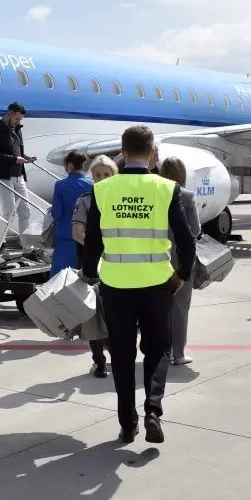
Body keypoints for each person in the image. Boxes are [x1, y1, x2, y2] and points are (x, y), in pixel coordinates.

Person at [82, 126, 196, 444]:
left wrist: (89, 274)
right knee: (157, 350)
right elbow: (187, 241)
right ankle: (153, 411)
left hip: (115, 285)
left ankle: (127, 423)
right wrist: (181, 275)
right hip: (157, 283)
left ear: (122, 151)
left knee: (121, 354)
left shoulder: (103, 190)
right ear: (152, 153)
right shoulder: (166, 189)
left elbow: (93, 242)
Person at [72, 155, 118, 378]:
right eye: (97, 175)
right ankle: (99, 361)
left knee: (117, 316)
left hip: (118, 267)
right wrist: (97, 250)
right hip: (93, 267)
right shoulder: (85, 201)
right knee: (93, 317)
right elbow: (77, 232)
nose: (101, 179)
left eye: (106, 174)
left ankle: (117, 355)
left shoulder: (122, 199)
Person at [157, 156, 202, 366]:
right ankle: (179, 353)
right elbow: (195, 230)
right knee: (180, 308)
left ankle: (162, 350)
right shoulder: (186, 195)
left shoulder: (155, 194)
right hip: (180, 257)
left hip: (158, 256)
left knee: (159, 307)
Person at [0, 102, 35, 242]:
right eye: (17, 119)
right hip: (2, 176)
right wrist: (15, 160)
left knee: (25, 211)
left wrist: (26, 158)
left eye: (20, 119)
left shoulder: (17, 130)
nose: (18, 122)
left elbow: (19, 153)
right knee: (8, 210)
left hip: (18, 175)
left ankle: (26, 245)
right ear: (9, 114)